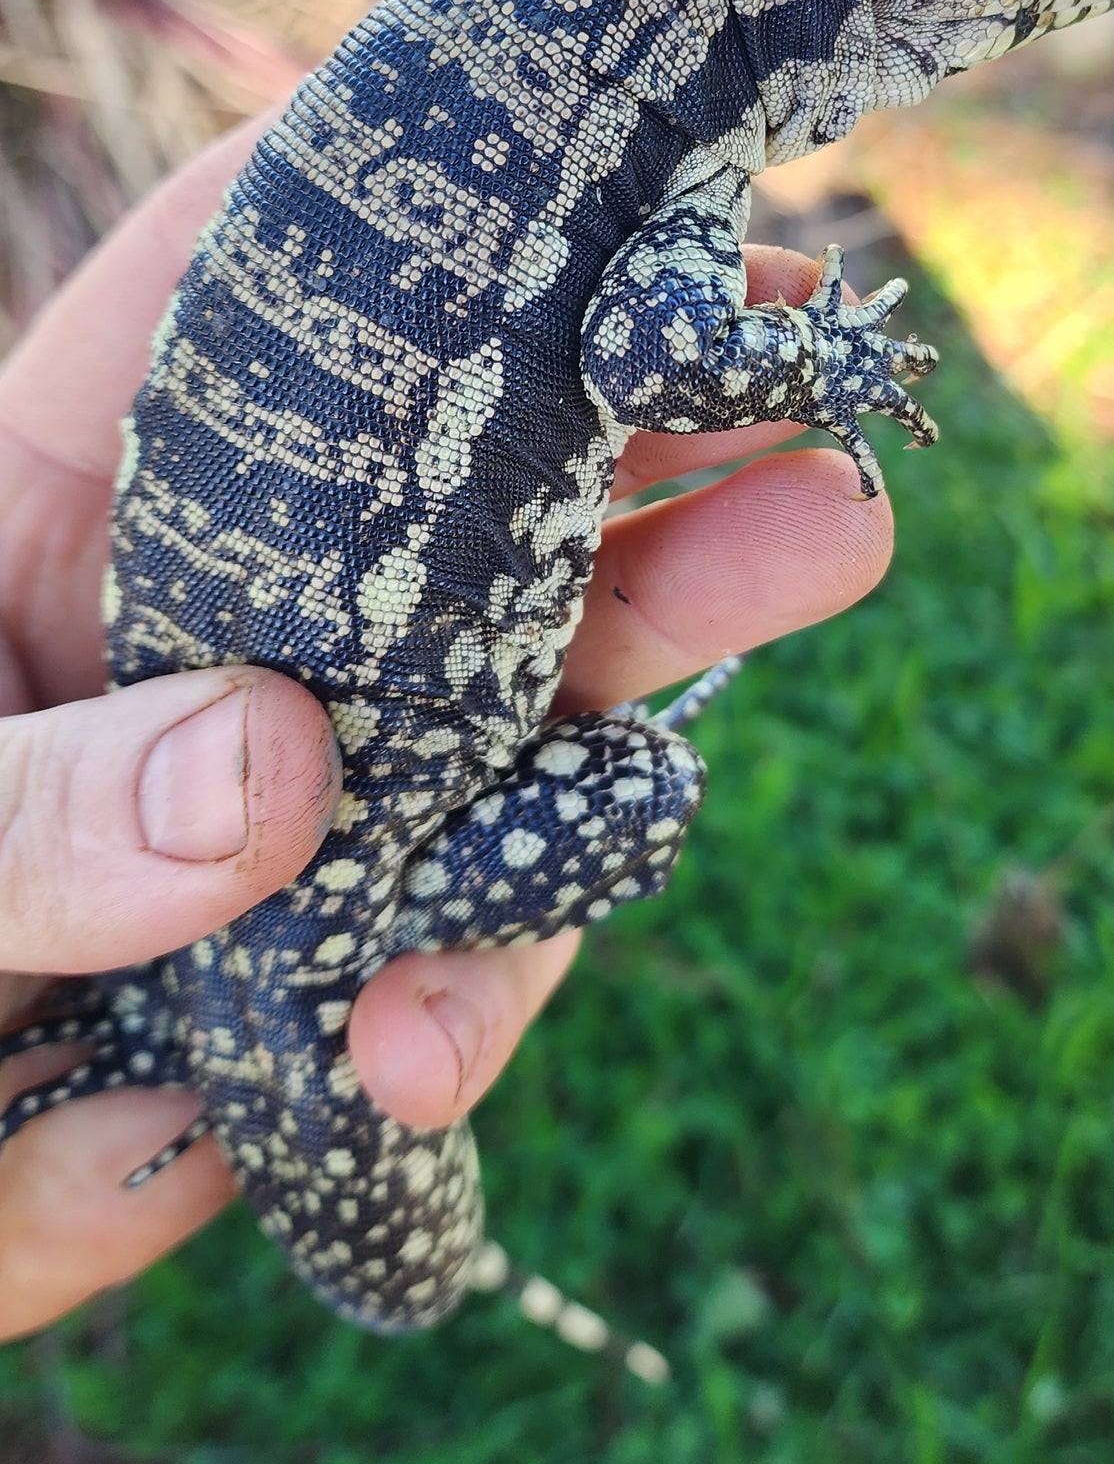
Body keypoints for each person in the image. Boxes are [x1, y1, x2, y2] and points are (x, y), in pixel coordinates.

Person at [0, 113, 895, 1337]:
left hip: (228, 924)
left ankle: (415, 1223)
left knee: (631, 793)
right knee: (641, 788)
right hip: (268, 911)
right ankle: (438, 1243)